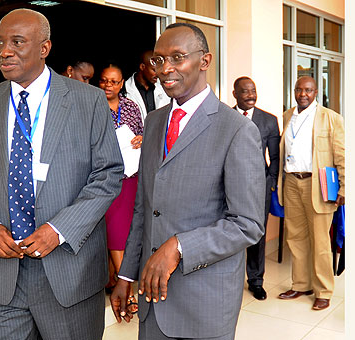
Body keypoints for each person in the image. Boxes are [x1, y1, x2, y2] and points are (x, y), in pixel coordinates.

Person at [0, 8, 124, 340]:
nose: (5, 51)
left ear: (44, 48)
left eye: (17, 41)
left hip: (68, 274)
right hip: (3, 278)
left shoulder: (87, 101)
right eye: (0, 42)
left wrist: (59, 229)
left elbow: (108, 174)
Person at [110, 23, 266, 340]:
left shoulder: (236, 129)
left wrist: (180, 246)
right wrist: (126, 274)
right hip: (153, 302)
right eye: (158, 60)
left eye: (177, 58)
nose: (165, 69)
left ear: (204, 61)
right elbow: (144, 208)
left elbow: (247, 223)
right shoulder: (153, 123)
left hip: (205, 302)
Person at [277, 76, 345, 311]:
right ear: (294, 91)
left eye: (308, 90)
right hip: (292, 182)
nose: (302, 94)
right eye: (299, 89)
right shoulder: (288, 115)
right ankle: (301, 284)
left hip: (318, 185)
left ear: (316, 92)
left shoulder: (330, 118)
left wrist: (345, 188)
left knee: (320, 240)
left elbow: (342, 155)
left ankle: (324, 290)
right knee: (295, 238)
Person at [98, 64, 143, 312]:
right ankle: (128, 292)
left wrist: (141, 139)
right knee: (115, 233)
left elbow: (143, 133)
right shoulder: (92, 105)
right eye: (104, 81)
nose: (108, 86)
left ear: (122, 83)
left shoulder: (131, 107)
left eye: (114, 82)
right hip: (106, 178)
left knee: (127, 233)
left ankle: (121, 283)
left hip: (130, 177)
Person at [232, 76, 280, 300]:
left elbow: (275, 157)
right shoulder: (227, 117)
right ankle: (229, 279)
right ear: (235, 94)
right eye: (245, 91)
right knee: (229, 232)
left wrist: (270, 183)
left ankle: (256, 280)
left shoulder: (269, 120)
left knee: (257, 233)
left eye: (253, 90)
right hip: (230, 186)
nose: (251, 95)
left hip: (260, 187)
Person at [125, 50, 170, 123]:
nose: (157, 74)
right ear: (142, 67)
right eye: (154, 70)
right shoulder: (126, 90)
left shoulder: (163, 88)